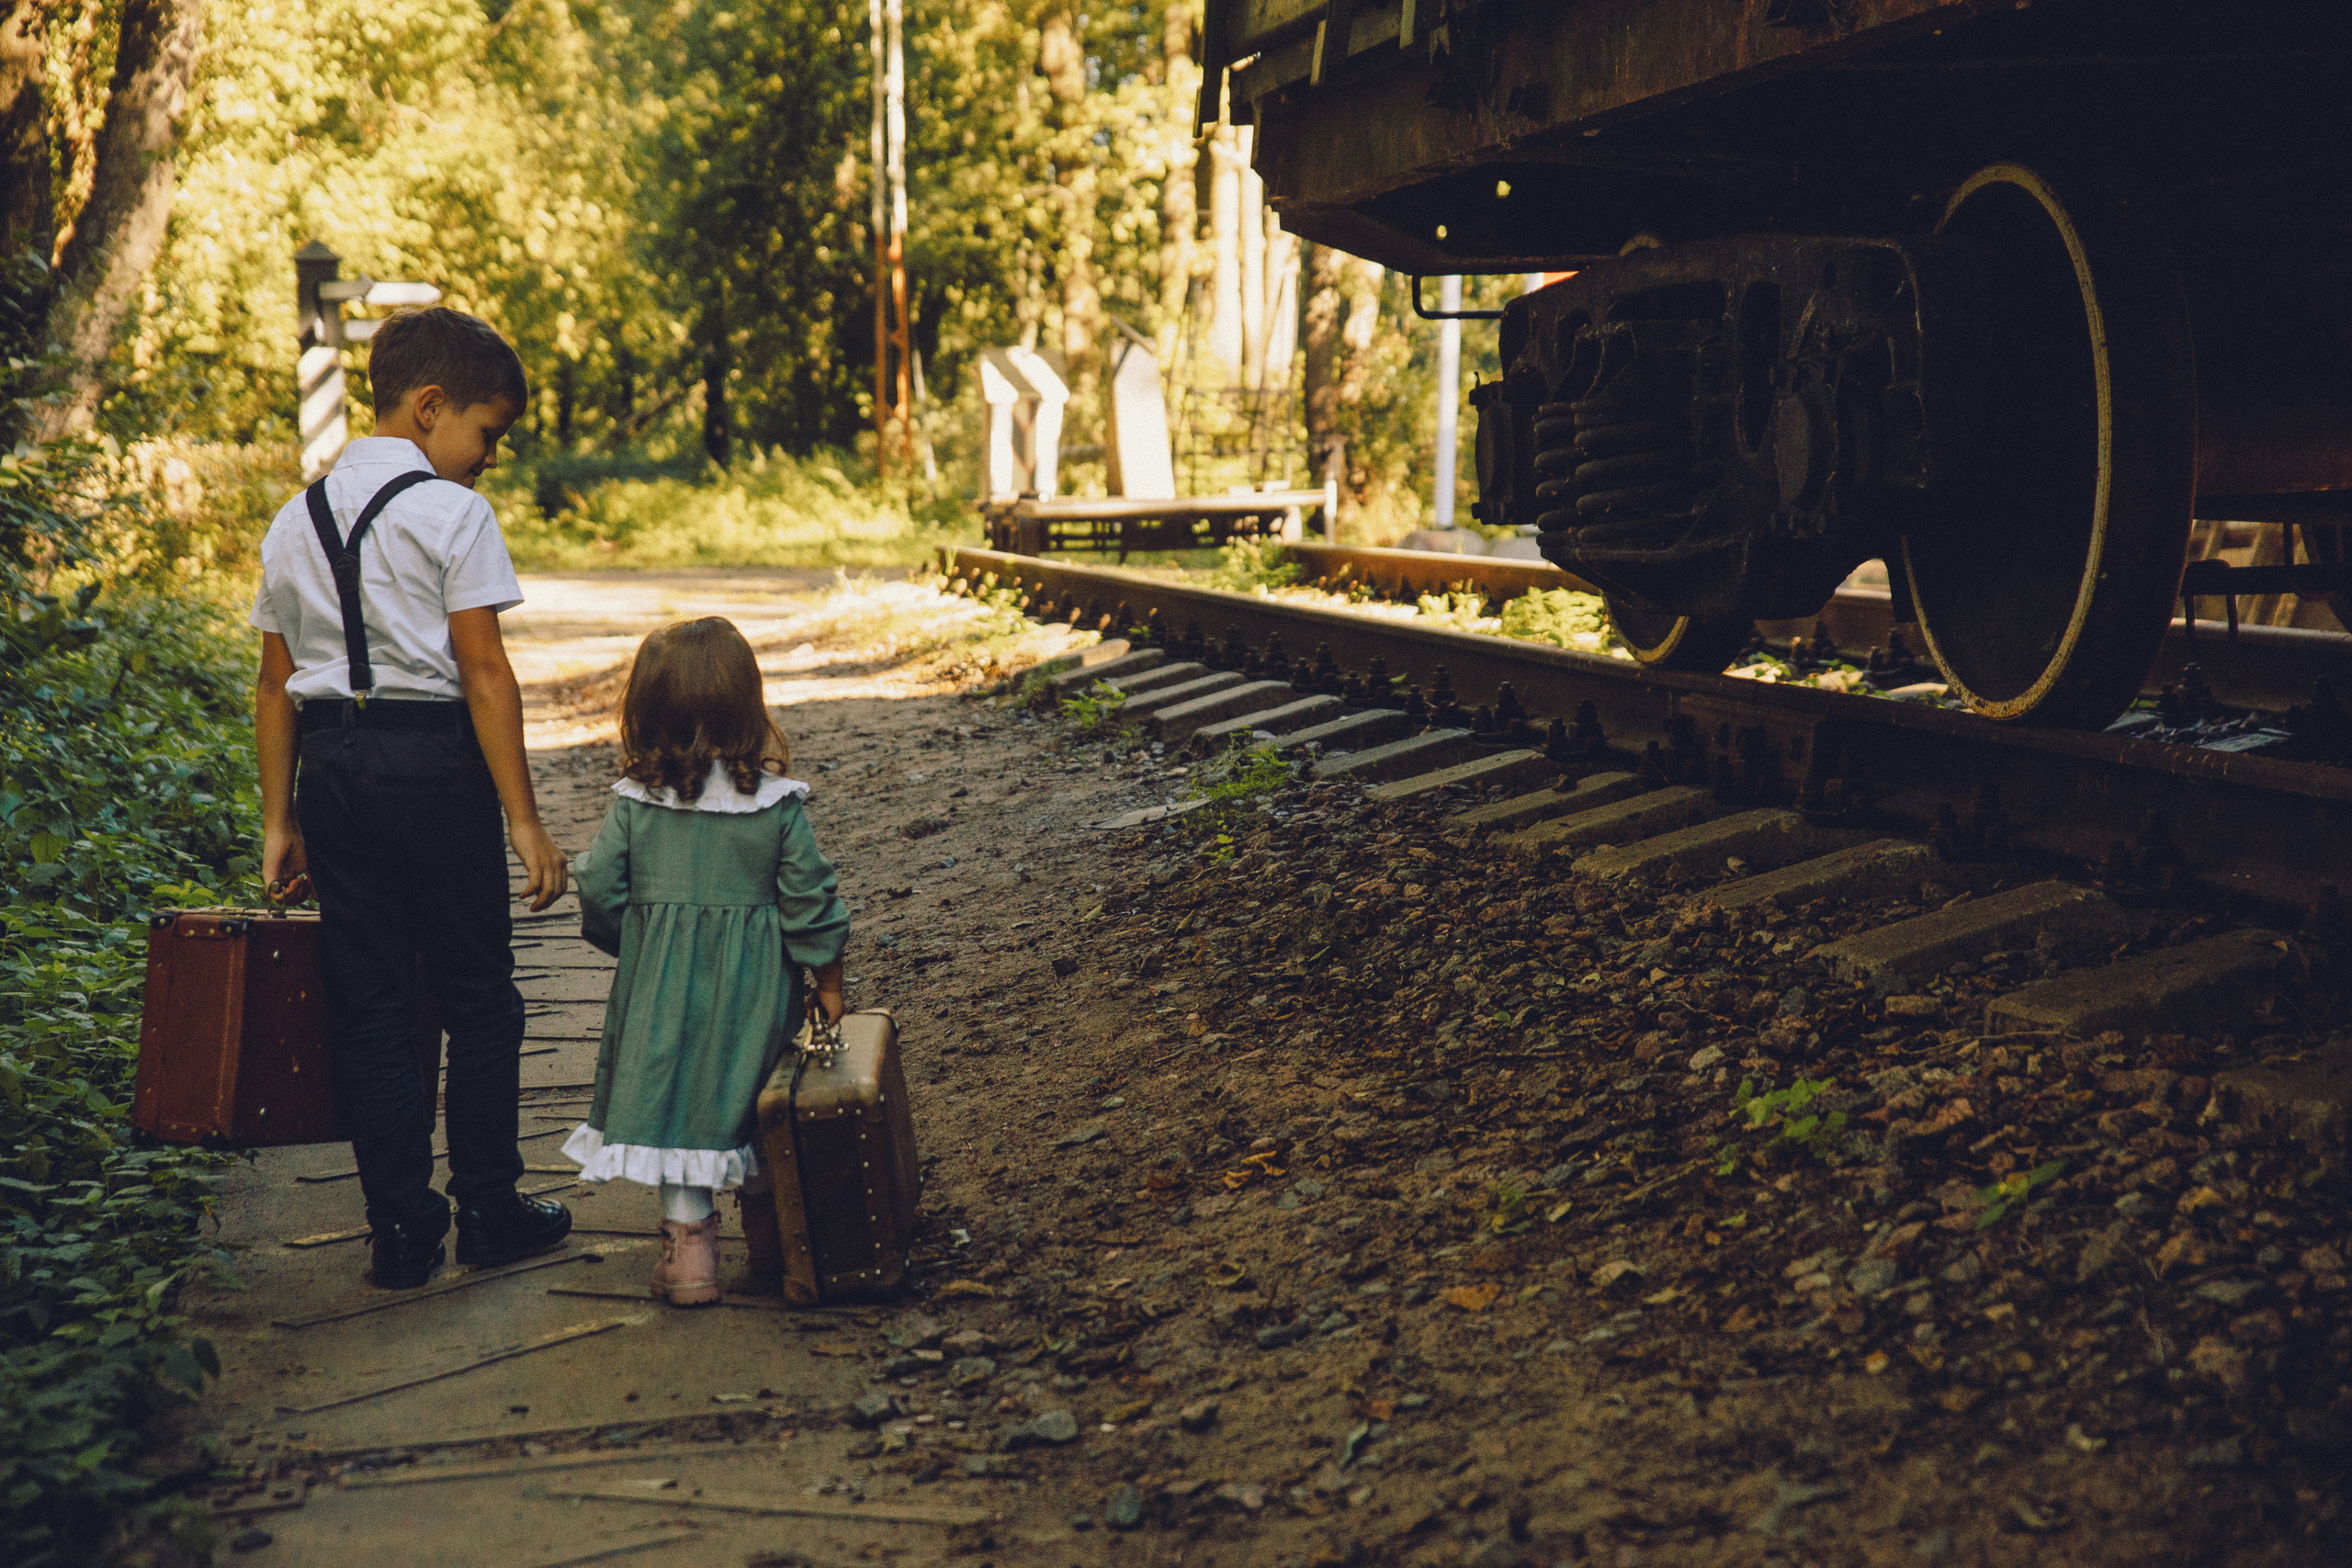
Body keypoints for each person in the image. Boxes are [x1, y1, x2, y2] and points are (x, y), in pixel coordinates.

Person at [254, 307, 572, 1291]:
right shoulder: (453, 514)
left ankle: (398, 1229)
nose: (489, 457)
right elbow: (483, 673)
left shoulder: (291, 517)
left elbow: (274, 685)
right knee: (478, 995)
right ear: (430, 407)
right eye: (487, 431)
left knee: (372, 1006)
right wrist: (523, 819)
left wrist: (280, 820)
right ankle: (488, 1208)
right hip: (433, 767)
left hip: (335, 771)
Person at [566, 617, 850, 1306]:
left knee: (677, 1105)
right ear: (747, 705)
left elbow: (600, 885)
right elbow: (812, 898)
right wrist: (829, 981)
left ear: (645, 712)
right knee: (756, 1101)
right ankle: (773, 1243)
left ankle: (690, 1254)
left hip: (660, 991)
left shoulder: (637, 805)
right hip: (758, 996)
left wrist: (634, 943)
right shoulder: (776, 806)